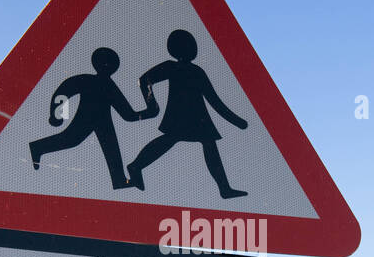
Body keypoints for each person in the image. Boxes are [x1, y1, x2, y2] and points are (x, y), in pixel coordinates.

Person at [125, 29, 249, 198]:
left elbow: (214, 100)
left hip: (195, 117)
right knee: (180, 141)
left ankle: (224, 189)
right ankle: (136, 166)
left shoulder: (194, 71)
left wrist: (237, 121)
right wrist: (152, 105)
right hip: (187, 116)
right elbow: (145, 80)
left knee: (196, 143)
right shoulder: (175, 67)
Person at [29, 47, 154, 189]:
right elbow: (65, 91)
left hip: (102, 121)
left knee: (109, 147)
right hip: (89, 118)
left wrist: (57, 115)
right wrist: (58, 115)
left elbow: (127, 114)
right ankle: (38, 147)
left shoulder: (101, 83)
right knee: (72, 139)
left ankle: (119, 180)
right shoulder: (97, 82)